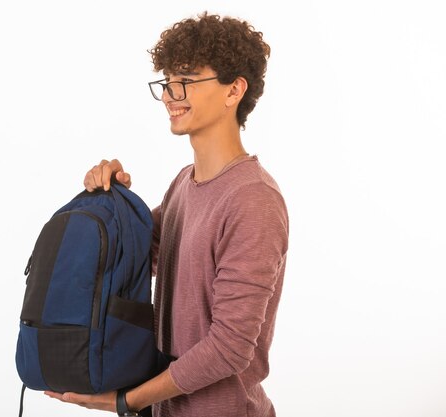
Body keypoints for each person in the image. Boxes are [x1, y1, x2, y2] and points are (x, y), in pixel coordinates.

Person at [45, 11, 289, 417]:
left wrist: (127, 401)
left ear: (234, 91)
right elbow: (136, 257)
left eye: (188, 80)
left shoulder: (253, 200)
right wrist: (112, 197)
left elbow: (230, 347)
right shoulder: (184, 183)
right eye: (168, 81)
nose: (171, 94)